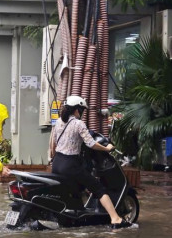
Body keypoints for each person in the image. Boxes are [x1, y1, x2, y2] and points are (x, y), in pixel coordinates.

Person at [49, 96, 132, 229]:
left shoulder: (58, 122)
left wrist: (52, 159)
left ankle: (78, 217)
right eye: (81, 110)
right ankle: (115, 218)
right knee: (98, 188)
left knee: (75, 188)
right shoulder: (78, 124)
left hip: (57, 163)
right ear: (77, 110)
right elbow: (91, 143)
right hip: (70, 165)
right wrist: (107, 148)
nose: (82, 113)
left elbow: (52, 144)